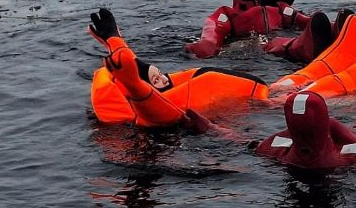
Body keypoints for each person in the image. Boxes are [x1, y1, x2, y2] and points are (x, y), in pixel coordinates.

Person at [89, 8, 268, 129]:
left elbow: (133, 66)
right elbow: (142, 95)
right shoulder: (154, 111)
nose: (166, 79)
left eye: (160, 74)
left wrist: (114, 41)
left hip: (258, 98)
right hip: (256, 108)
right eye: (157, 81)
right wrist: (133, 83)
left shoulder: (169, 88)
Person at [186, 0, 310, 58]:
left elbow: (304, 20)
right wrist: (202, 47)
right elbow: (211, 35)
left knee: (275, 41)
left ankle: (308, 42)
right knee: (270, 43)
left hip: (275, 41)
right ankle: (301, 45)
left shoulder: (278, 7)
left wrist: (322, 25)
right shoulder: (227, 15)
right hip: (250, 49)